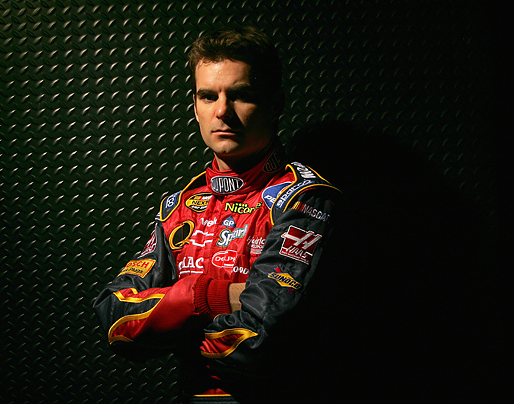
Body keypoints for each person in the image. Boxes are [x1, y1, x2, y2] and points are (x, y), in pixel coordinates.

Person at [93, 26, 341, 403]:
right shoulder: (181, 205)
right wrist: (203, 297)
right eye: (208, 96)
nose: (222, 111)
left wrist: (169, 326)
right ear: (195, 107)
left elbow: (258, 342)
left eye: (241, 95)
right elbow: (115, 318)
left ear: (275, 104)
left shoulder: (304, 198)